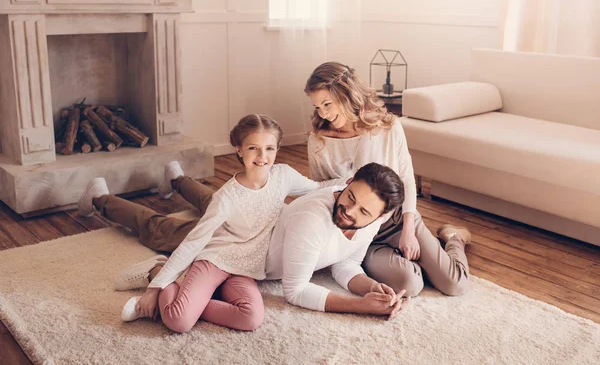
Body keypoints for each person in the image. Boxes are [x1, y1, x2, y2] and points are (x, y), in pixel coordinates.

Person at [77, 114, 342, 332]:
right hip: (215, 259)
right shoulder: (226, 196)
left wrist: (354, 180)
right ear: (238, 149)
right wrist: (154, 290)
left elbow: (318, 187)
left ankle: (187, 290)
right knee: (178, 321)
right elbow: (194, 242)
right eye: (253, 148)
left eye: (270, 148)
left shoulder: (283, 176)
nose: (262, 156)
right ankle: (160, 276)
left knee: (250, 318)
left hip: (246, 269)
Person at [303, 62, 472, 297]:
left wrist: (409, 231)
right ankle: (417, 263)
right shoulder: (318, 139)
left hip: (396, 221)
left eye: (327, 104)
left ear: (347, 95)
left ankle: (453, 238)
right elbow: (318, 191)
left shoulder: (387, 127)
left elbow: (406, 179)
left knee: (455, 285)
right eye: (318, 106)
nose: (323, 113)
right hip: (360, 235)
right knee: (411, 285)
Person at [264, 162, 410, 317]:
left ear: (380, 217)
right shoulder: (311, 218)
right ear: (349, 181)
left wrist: (374, 289)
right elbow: (295, 291)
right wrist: (362, 306)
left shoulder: (373, 222)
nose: (349, 211)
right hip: (251, 266)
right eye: (351, 197)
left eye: (363, 211)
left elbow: (346, 264)